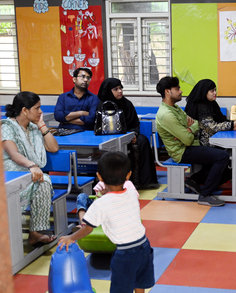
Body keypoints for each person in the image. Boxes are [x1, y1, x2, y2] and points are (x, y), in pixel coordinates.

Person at [58, 152, 155, 293]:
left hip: (125, 253)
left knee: (120, 287)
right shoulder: (132, 193)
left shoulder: (101, 204)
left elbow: (88, 229)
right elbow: (118, 200)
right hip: (144, 245)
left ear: (99, 177)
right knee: (139, 280)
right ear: (128, 175)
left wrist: (71, 238)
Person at [156, 76, 229, 207]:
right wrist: (190, 130)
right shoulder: (166, 114)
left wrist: (190, 128)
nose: (181, 91)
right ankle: (205, 195)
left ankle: (194, 181)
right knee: (222, 157)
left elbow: (196, 123)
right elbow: (188, 139)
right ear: (168, 91)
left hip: (189, 145)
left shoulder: (175, 108)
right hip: (181, 151)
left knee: (225, 160)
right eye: (177, 88)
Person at [2, 91, 59, 245]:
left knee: (44, 181)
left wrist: (42, 125)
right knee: (43, 180)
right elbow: (13, 154)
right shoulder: (7, 126)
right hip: (12, 176)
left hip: (30, 176)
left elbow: (53, 148)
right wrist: (32, 165)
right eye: (37, 108)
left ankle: (35, 233)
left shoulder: (34, 128)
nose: (41, 112)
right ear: (25, 110)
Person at [97, 78, 159, 189]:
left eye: (121, 88)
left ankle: (145, 181)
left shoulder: (127, 104)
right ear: (108, 90)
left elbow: (135, 123)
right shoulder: (100, 106)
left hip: (128, 136)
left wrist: (133, 134)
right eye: (116, 89)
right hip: (105, 138)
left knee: (143, 141)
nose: (120, 91)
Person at [184, 79, 236, 146]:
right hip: (201, 144)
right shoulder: (200, 106)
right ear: (204, 92)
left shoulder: (212, 103)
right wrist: (232, 125)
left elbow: (221, 120)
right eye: (212, 91)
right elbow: (211, 127)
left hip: (212, 140)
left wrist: (234, 124)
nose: (215, 93)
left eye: (215, 90)